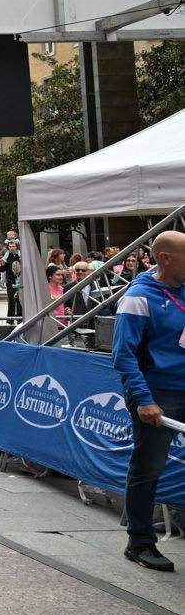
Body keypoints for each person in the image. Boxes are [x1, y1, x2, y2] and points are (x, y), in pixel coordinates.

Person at [112, 229, 185, 572]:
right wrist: (143, 399)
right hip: (156, 392)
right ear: (166, 258)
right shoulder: (139, 297)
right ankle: (139, 541)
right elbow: (123, 355)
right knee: (149, 466)